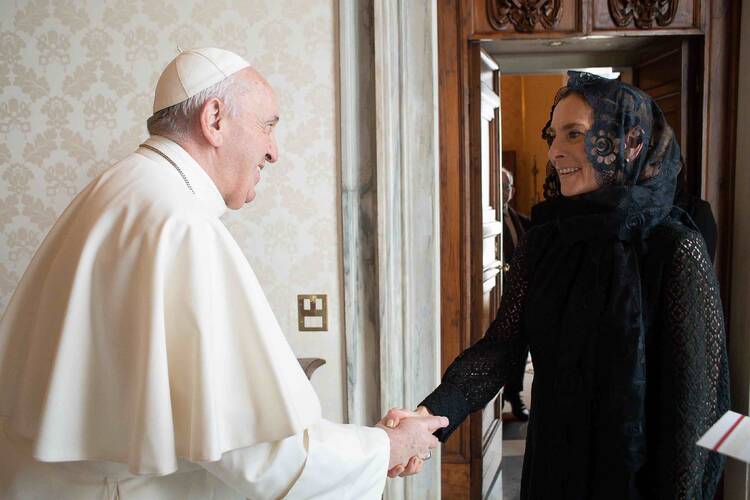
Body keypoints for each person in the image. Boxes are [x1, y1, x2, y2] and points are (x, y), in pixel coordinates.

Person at [0, 47, 446, 499]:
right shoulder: (179, 223)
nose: (273, 151)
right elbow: (255, 454)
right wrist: (384, 447)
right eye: (268, 125)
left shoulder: (124, 187)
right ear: (214, 119)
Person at [388, 72, 730, 498]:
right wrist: (430, 415)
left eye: (575, 134)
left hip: (639, 481)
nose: (554, 153)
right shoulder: (546, 241)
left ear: (631, 143)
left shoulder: (676, 247)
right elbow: (501, 348)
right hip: (554, 469)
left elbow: (695, 409)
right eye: (553, 135)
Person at [500, 168, 530, 421]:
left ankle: (514, 395)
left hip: (519, 297)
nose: (505, 192)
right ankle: (495, 400)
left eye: (508, 187)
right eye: (500, 186)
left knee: (520, 347)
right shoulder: (486, 221)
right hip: (494, 295)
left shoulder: (523, 221)